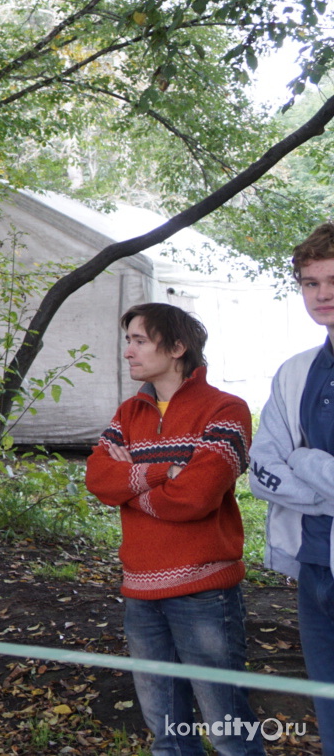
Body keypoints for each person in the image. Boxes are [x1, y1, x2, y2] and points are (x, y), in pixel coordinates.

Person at [85, 302, 263, 756]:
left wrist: (134, 480)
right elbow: (97, 479)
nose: (128, 351)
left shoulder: (225, 409)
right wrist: (166, 469)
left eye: (139, 340)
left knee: (229, 732)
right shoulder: (129, 413)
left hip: (204, 594)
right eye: (128, 340)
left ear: (178, 346)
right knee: (168, 736)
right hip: (140, 594)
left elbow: (197, 497)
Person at [250, 223, 334, 756]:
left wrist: (302, 459)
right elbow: (261, 468)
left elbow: (288, 460)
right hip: (314, 565)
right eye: (310, 283)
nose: (323, 295)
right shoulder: (295, 372)